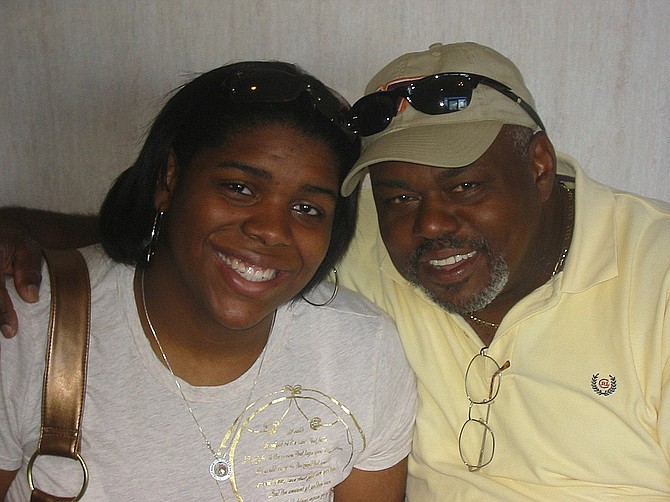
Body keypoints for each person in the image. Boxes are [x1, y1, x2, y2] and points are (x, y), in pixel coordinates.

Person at [2, 41, 669, 500]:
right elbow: (227, 246)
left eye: (465, 187)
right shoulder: (380, 251)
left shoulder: (657, 280)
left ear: (539, 166)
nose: (431, 225)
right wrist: (20, 234)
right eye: (399, 196)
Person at [0, 60, 416, 501]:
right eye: (239, 188)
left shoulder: (362, 351)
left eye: (307, 209)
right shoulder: (27, 327)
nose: (271, 230)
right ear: (169, 179)